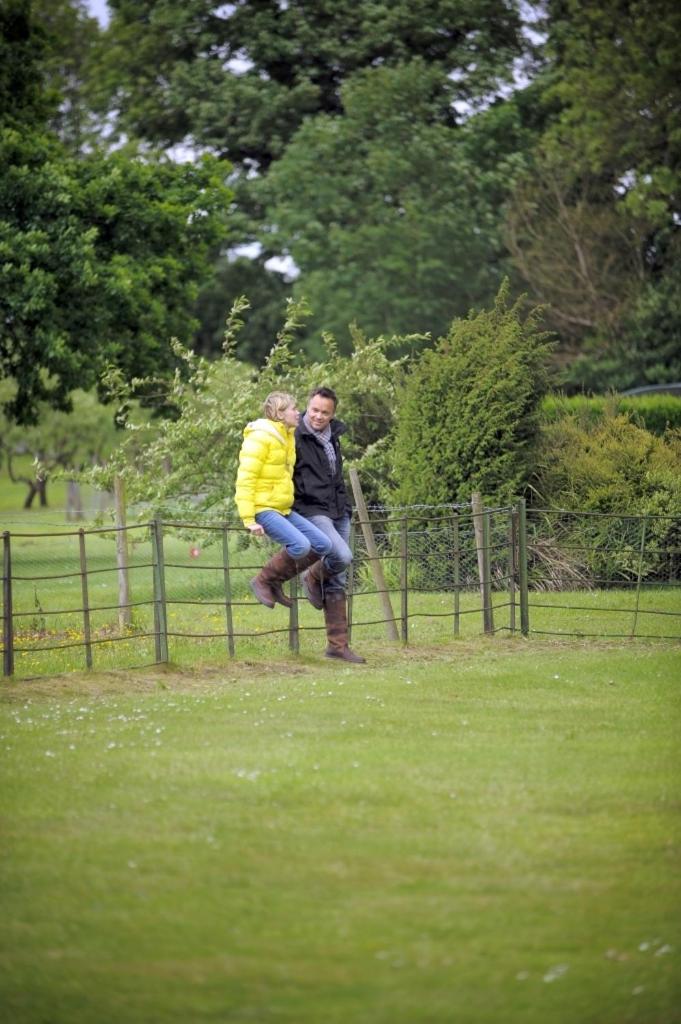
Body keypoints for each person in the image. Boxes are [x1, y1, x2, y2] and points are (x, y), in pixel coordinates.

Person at [235, 391, 333, 609]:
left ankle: (275, 581)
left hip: (281, 508)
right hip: (263, 508)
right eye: (293, 409)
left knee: (323, 544)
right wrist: (249, 519)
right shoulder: (260, 437)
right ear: (280, 413)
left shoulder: (286, 437)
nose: (298, 413)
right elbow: (245, 479)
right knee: (300, 545)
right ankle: (263, 580)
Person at [293, 387, 365, 663]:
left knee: (339, 577)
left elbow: (336, 476)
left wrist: (344, 507)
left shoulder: (333, 436)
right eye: (314, 410)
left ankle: (337, 647)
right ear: (307, 407)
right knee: (342, 556)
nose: (319, 416)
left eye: (325, 412)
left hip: (338, 510)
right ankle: (311, 576)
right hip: (312, 509)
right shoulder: (295, 436)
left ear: (333, 414)